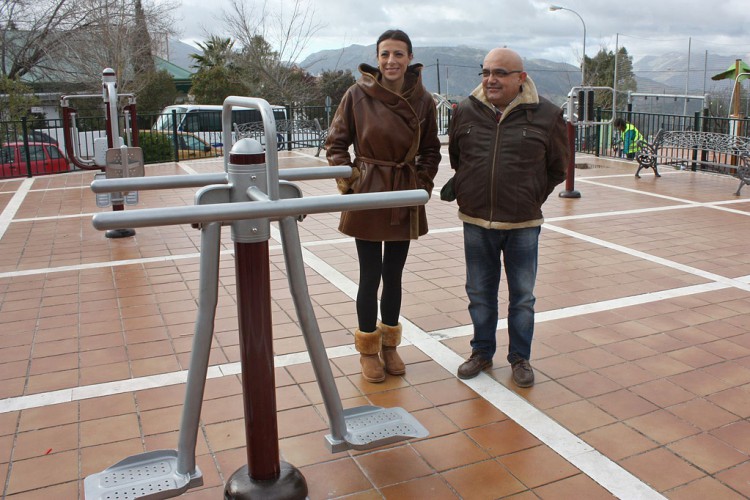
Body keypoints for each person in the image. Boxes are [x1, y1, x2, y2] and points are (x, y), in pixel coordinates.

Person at [447, 48, 569, 387]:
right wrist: (474, 190)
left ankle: (520, 358)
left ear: (521, 78)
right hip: (476, 221)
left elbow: (557, 168)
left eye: (500, 73)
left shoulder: (547, 115)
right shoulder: (466, 111)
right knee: (480, 293)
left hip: (523, 224)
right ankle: (481, 352)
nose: (491, 79)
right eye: (486, 72)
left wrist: (529, 196)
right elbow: (458, 158)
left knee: (523, 297)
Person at [325, 29, 441, 383]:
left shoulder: (423, 100)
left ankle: (390, 345)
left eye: (398, 54)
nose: (391, 61)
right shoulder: (356, 94)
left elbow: (432, 149)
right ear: (377, 58)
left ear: (409, 58)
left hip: (403, 191)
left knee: (394, 275)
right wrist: (351, 180)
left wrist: (420, 182)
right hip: (370, 190)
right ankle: (368, 350)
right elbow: (336, 143)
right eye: (385, 54)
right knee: (369, 274)